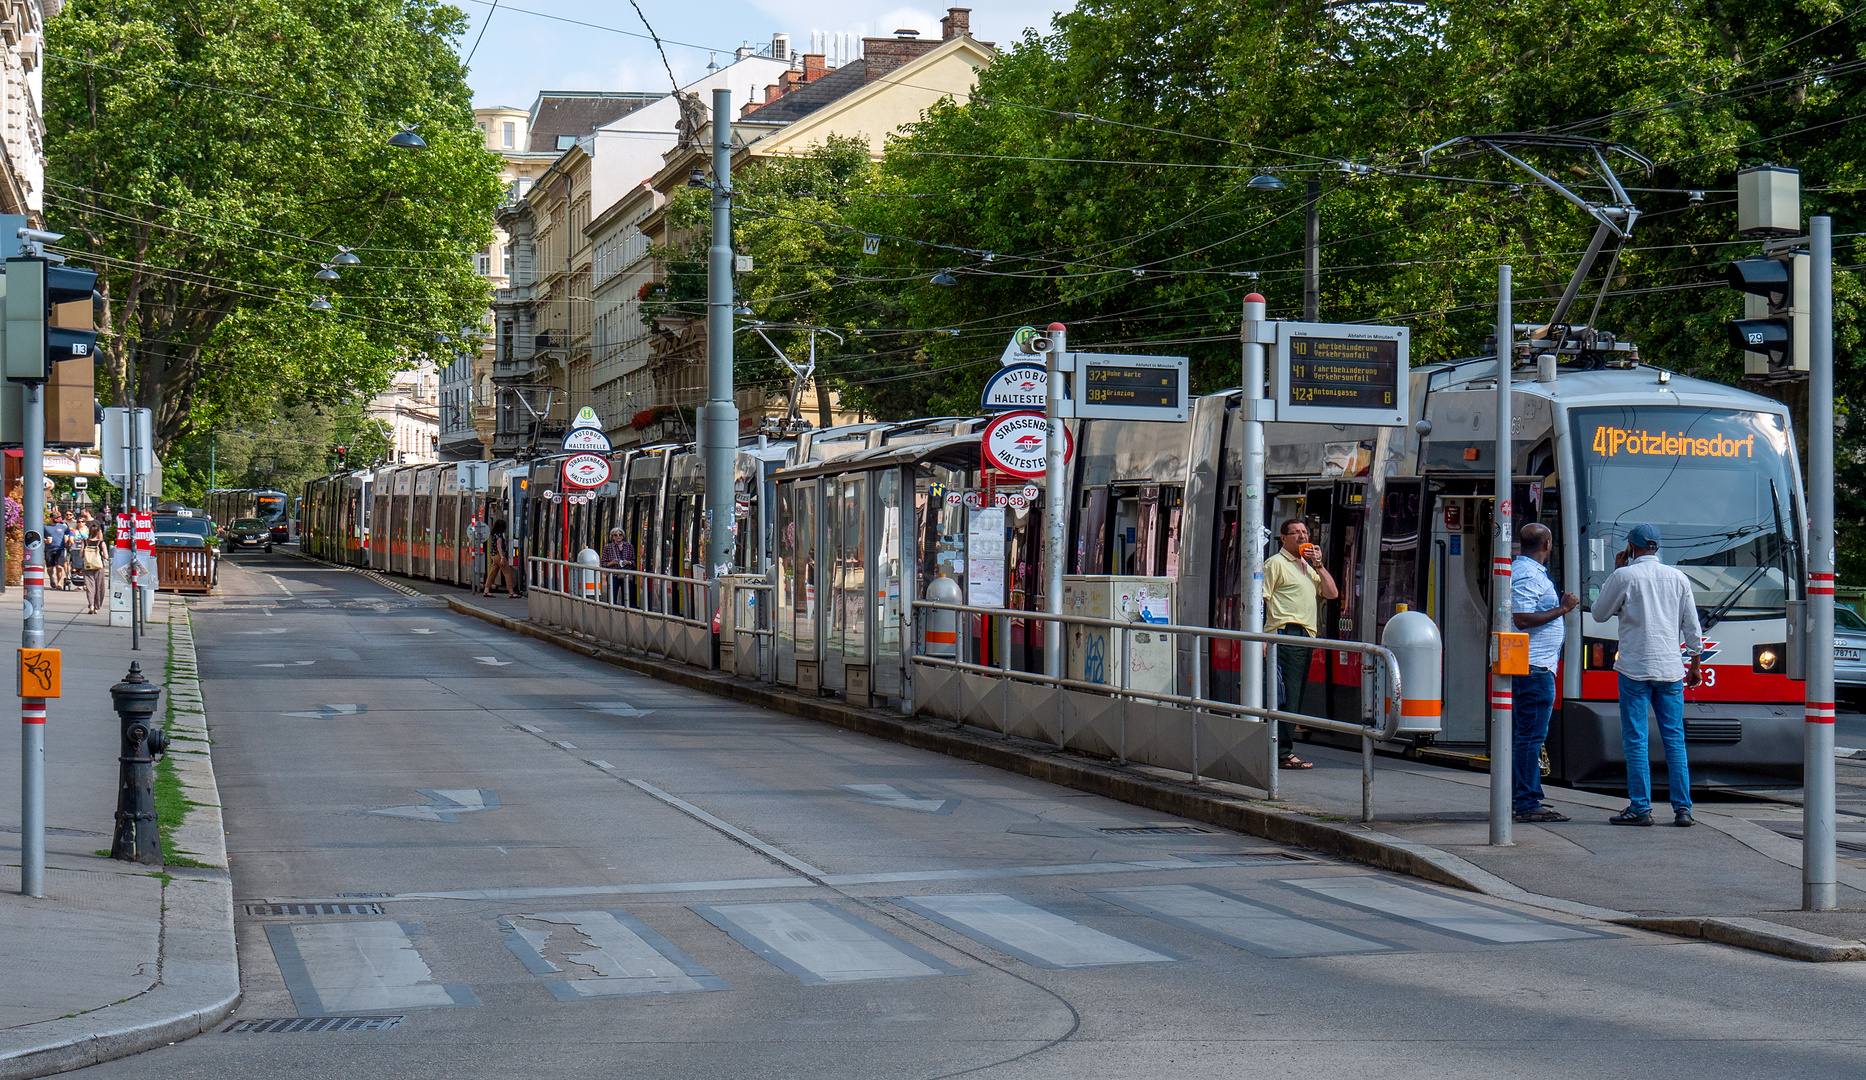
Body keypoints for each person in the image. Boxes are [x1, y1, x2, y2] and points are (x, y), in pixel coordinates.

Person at [1592, 523, 1704, 827]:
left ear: (1631, 547)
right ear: (1657, 547)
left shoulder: (1624, 576)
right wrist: (1694, 664)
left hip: (1634, 670)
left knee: (1636, 739)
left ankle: (1641, 808)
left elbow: (1599, 613)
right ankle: (1683, 809)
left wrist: (1614, 573)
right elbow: (1692, 626)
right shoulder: (1678, 578)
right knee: (1674, 740)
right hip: (1670, 670)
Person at [1511, 523, 1579, 823]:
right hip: (1533, 668)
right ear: (1547, 544)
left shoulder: (1527, 571)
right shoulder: (1527, 574)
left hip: (1533, 666)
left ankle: (1524, 798)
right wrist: (1563, 609)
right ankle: (1526, 802)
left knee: (1527, 737)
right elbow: (1522, 618)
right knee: (1530, 738)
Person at [1263, 518, 1338, 770]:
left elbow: (1331, 593)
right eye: (1295, 533)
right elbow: (1259, 601)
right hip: (1287, 635)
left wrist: (1319, 565)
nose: (1302, 536)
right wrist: (1263, 639)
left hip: (1305, 636)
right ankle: (1282, 753)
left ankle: (1282, 750)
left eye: (1305, 532)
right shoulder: (1275, 564)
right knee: (1288, 696)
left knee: (1294, 695)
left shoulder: (1307, 566)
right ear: (1283, 538)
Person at [600, 527, 635, 605]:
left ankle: (625, 610)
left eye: (620, 535)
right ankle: (612, 610)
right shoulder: (608, 547)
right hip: (613, 575)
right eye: (615, 535)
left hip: (626, 575)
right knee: (612, 595)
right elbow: (603, 563)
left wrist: (628, 562)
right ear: (612, 537)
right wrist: (612, 563)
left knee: (626, 596)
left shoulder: (629, 546)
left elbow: (633, 562)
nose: (618, 536)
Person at [482, 519, 517, 598]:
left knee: (492, 573)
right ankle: (511, 592)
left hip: (494, 556)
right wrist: (502, 557)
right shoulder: (499, 536)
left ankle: (486, 590)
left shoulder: (494, 534)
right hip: (499, 556)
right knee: (507, 573)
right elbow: (499, 546)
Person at [80, 521, 109, 614]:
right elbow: (106, 556)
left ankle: (91, 605)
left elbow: (81, 555)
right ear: (98, 532)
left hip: (87, 566)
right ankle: (97, 606)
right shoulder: (101, 543)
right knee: (99, 587)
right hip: (98, 566)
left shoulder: (85, 542)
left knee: (90, 586)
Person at [44, 511, 68, 590]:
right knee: (50, 568)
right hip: (49, 549)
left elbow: (68, 534)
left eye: (59, 517)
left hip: (60, 549)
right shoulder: (46, 527)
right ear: (51, 518)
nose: (58, 519)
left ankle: (59, 583)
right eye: (56, 518)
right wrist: (45, 541)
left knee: (59, 566)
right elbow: (41, 537)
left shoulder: (63, 527)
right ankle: (51, 578)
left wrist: (67, 540)